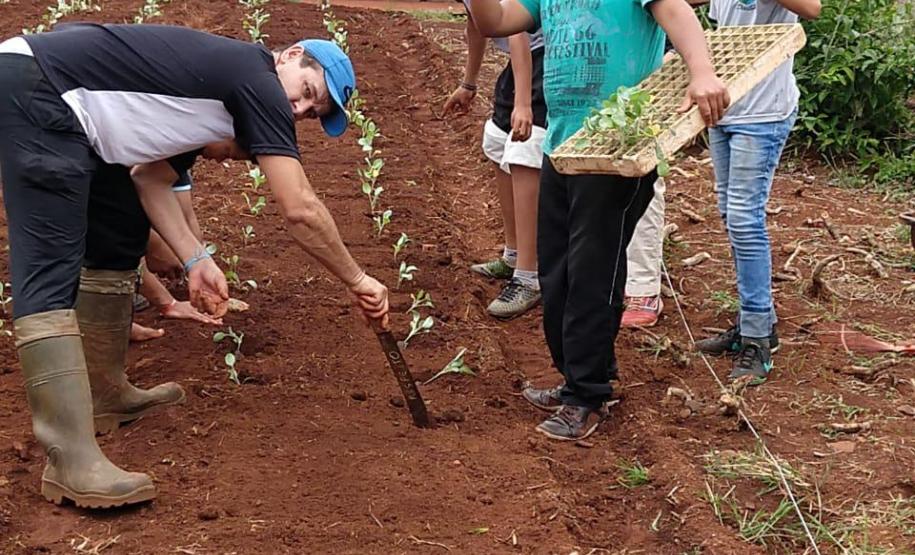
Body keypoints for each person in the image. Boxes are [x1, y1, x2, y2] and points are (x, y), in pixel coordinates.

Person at [0, 24, 388, 509]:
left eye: (313, 113)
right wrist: (357, 277)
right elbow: (300, 209)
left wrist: (195, 260)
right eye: (307, 93)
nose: (299, 110)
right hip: (37, 87)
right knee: (49, 263)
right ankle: (70, 461)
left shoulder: (226, 97)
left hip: (66, 108)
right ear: (290, 55)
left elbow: (151, 178)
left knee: (118, 227)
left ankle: (104, 394)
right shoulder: (258, 78)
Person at [468, 0, 730, 441]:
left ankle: (587, 396)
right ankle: (581, 375)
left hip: (617, 149)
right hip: (563, 146)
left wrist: (701, 71)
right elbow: (496, 20)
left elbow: (677, 10)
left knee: (593, 272)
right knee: (557, 271)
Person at [694, 0, 820, 382]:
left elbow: (811, 7)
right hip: (724, 108)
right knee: (731, 216)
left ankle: (757, 338)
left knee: (746, 220)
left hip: (764, 112)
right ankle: (757, 319)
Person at [443, 0, 547, 319]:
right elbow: (476, 22)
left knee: (525, 151)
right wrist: (468, 83)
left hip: (543, 56)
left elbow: (519, 34)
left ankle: (530, 277)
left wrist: (524, 103)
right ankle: (514, 255)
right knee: (498, 140)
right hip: (519, 64)